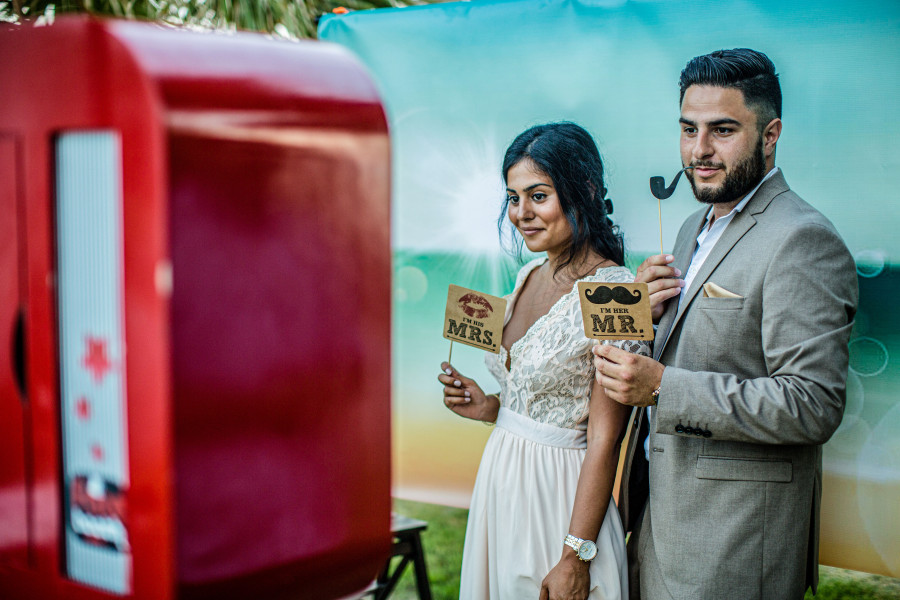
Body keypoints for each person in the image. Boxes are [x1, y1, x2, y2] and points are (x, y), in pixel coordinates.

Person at [592, 49, 858, 599]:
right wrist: (648, 314)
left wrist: (662, 388)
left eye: (723, 130)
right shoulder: (693, 225)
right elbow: (696, 347)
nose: (699, 151)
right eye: (688, 129)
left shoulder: (803, 238)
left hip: (733, 543)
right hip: (658, 520)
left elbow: (813, 404)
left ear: (770, 134)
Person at [438, 122, 649, 600]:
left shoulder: (615, 293)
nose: (521, 214)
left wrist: (575, 556)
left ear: (585, 191)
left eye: (538, 196)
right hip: (501, 487)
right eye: (513, 198)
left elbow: (605, 438)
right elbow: (538, 399)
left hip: (560, 502)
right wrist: (491, 406)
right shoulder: (529, 273)